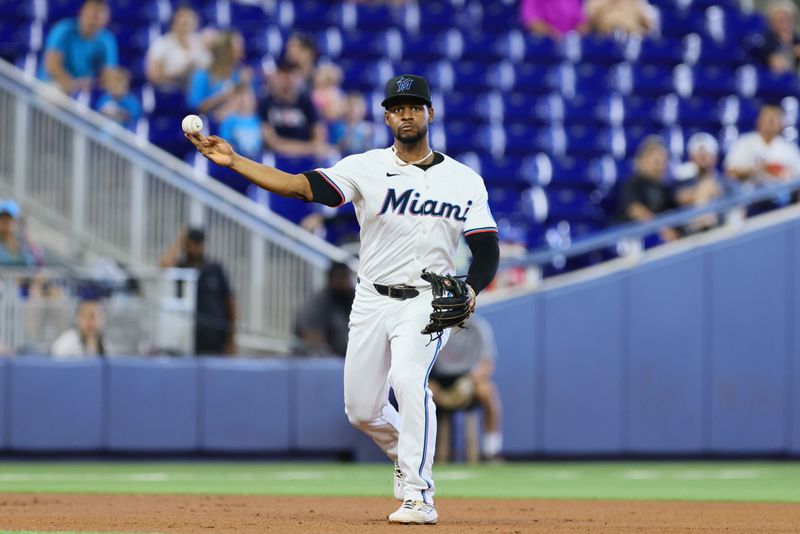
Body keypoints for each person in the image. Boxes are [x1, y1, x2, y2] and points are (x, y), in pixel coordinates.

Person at [185, 73, 500, 524]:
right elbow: (298, 186)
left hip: (428, 301)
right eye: (397, 106)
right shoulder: (366, 167)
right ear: (387, 116)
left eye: (414, 105)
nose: (406, 113)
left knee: (409, 379)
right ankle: (406, 454)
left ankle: (418, 494)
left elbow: (487, 248)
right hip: (372, 298)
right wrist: (235, 161)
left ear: (430, 113)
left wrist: (470, 287)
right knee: (361, 409)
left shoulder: (464, 180)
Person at [428, 315, 503, 461]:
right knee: (418, 392)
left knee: (487, 391)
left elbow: (487, 365)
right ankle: (419, 452)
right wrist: (429, 383)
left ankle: (492, 450)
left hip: (467, 379)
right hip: (439, 379)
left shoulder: (478, 328)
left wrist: (469, 381)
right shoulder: (435, 327)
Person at [159, 228, 236, 356]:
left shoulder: (214, 269)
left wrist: (231, 338)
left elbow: (230, 302)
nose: (196, 248)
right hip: (186, 336)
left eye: (199, 244)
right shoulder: (181, 267)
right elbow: (163, 266)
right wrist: (179, 243)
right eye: (192, 243)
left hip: (214, 337)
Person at [258, 60, 334, 160]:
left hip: (306, 160)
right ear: (277, 77)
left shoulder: (307, 103)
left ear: (299, 78)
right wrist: (310, 148)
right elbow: (272, 142)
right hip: (276, 159)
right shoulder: (266, 103)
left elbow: (319, 138)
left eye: (292, 75)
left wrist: (311, 148)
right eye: (284, 75)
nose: (288, 79)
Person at [39, 0, 118, 94]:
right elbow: (52, 65)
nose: (96, 16)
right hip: (55, 82)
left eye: (101, 12)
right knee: (53, 93)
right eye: (93, 11)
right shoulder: (63, 29)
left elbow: (109, 74)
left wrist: (97, 85)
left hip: (86, 88)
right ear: (82, 12)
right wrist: (72, 85)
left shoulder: (108, 40)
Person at [617, 135, 681, 242]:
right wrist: (661, 229)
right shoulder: (633, 183)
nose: (660, 167)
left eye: (663, 162)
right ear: (643, 160)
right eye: (656, 162)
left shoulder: (663, 188)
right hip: (632, 240)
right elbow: (635, 209)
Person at [725, 104, 800, 186]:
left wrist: (784, 172)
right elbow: (730, 172)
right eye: (767, 116)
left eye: (775, 117)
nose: (771, 121)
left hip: (782, 195)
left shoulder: (789, 148)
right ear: (758, 121)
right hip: (748, 194)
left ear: (781, 123)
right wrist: (757, 169)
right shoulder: (744, 143)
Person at [186, 31, 251, 122]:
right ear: (224, 52)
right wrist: (223, 96)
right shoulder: (202, 75)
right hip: (209, 125)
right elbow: (196, 108)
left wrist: (244, 85)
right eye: (236, 50)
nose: (241, 54)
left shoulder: (240, 74)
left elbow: (249, 107)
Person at [294, 261, 355, 357]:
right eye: (343, 277)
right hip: (324, 357)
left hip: (350, 353)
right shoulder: (318, 302)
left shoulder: (353, 297)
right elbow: (307, 333)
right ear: (333, 279)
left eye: (348, 277)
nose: (347, 282)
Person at [145, 5, 210, 90]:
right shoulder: (161, 43)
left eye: (191, 18)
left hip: (201, 88)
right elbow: (153, 76)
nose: (188, 20)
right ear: (174, 21)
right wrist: (181, 72)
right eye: (184, 18)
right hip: (173, 91)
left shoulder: (199, 40)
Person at [673, 133, 726, 232]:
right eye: (698, 153)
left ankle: (704, 221)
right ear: (691, 158)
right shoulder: (682, 183)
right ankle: (705, 220)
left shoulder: (726, 182)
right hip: (690, 236)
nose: (703, 156)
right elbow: (679, 197)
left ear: (716, 157)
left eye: (707, 152)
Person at [754, 0, 800, 74]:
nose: (784, 25)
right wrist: (790, 48)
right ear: (771, 22)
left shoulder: (794, 37)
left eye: (788, 20)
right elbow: (778, 65)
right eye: (780, 21)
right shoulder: (766, 39)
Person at [520, 0, 588, 39]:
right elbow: (532, 21)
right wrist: (554, 34)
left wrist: (575, 37)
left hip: (569, 45)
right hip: (545, 45)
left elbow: (581, 23)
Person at [584, 0, 654, 37]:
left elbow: (648, 26)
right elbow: (587, 22)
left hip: (631, 39)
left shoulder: (635, 3)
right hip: (604, 40)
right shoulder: (597, 2)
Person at [0, 199, 37, 267]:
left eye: (8, 219)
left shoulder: (20, 242)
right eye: (2, 219)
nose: (5, 222)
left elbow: (31, 264)